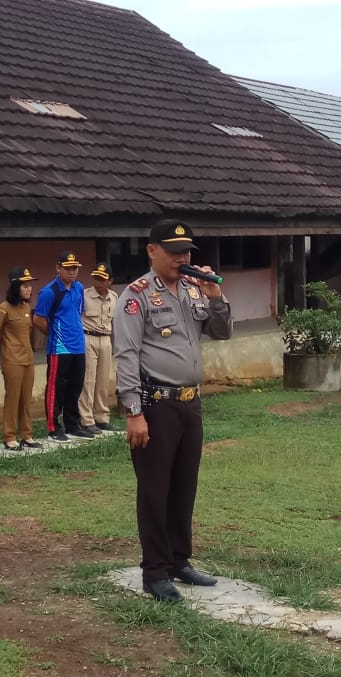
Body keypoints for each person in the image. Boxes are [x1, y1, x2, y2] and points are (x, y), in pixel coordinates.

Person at [112, 219, 232, 603]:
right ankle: (155, 571)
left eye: (186, 252)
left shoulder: (195, 289)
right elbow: (126, 355)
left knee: (184, 486)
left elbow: (222, 331)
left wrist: (215, 296)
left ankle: (179, 560)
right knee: (155, 490)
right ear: (152, 250)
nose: (182, 258)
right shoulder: (137, 296)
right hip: (155, 404)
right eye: (174, 251)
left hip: (189, 403)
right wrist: (134, 412)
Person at [34, 251, 91, 442]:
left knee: (75, 387)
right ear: (58, 268)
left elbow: (78, 312)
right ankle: (53, 428)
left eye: (75, 268)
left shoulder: (79, 287)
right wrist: (55, 335)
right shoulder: (49, 292)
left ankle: (73, 425)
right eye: (67, 268)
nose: (72, 272)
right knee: (56, 389)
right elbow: (39, 319)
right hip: (59, 348)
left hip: (78, 346)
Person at [0, 267, 43, 450]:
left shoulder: (26, 307)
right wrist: (6, 344)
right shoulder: (4, 308)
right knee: (13, 399)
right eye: (25, 286)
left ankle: (27, 435)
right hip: (12, 360)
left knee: (26, 399)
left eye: (30, 285)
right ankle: (9, 436)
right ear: (15, 287)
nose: (29, 289)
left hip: (28, 359)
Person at [79, 262, 120, 433]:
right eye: (96, 278)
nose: (98, 282)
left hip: (105, 340)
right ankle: (86, 419)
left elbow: (116, 322)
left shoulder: (114, 297)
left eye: (102, 279)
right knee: (88, 381)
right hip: (88, 337)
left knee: (103, 380)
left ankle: (101, 417)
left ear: (110, 281)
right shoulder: (84, 295)